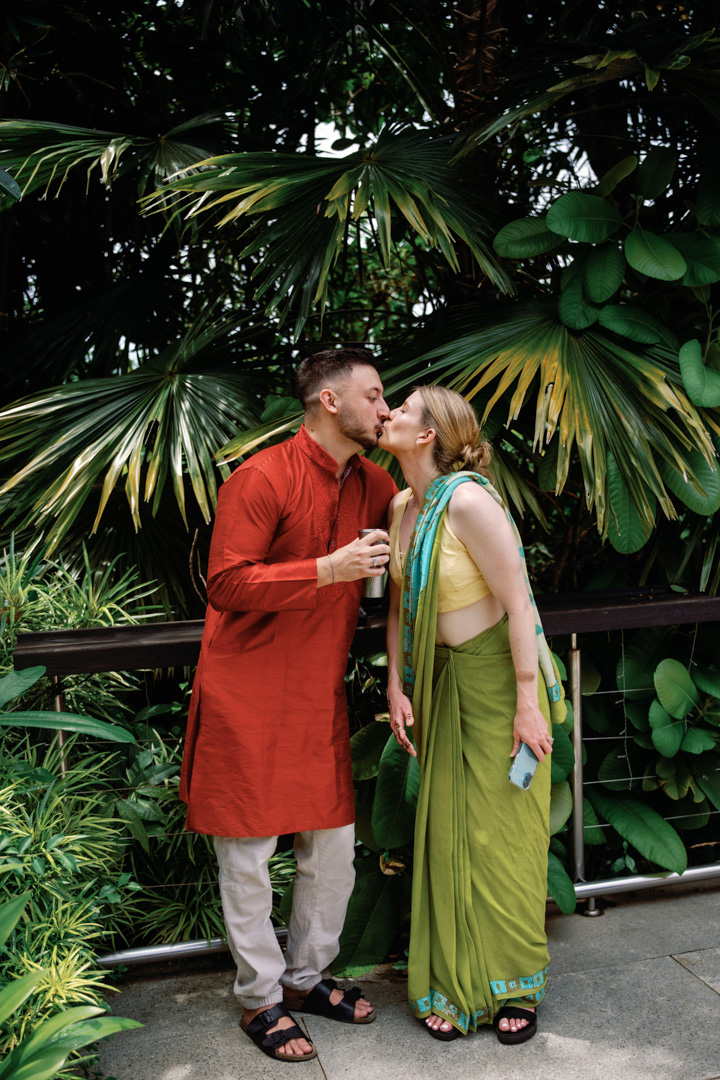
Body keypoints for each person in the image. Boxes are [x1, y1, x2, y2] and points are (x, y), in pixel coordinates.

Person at [179, 347, 397, 1063]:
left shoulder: (375, 482)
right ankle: (259, 998)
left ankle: (306, 980)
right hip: (244, 687)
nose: (384, 408)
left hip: (316, 689)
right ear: (330, 401)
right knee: (247, 853)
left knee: (332, 848)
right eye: (373, 395)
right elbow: (226, 584)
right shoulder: (261, 476)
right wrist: (327, 569)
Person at [379, 385, 565, 1045]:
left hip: (499, 686)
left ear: (428, 434)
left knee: (503, 837)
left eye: (403, 409)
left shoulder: (468, 502)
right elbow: (398, 606)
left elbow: (519, 604)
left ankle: (515, 987)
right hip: (437, 686)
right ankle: (455, 987)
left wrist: (526, 703)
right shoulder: (401, 506)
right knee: (446, 833)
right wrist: (396, 686)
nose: (389, 413)